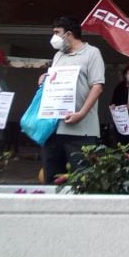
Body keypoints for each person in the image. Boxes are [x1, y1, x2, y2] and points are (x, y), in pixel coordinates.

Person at [39, 15, 105, 182]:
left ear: (68, 34)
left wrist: (81, 114)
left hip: (81, 131)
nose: (53, 37)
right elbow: (55, 81)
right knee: (51, 179)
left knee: (81, 180)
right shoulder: (58, 56)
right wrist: (45, 79)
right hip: (54, 129)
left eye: (56, 32)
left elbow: (97, 87)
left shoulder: (92, 53)